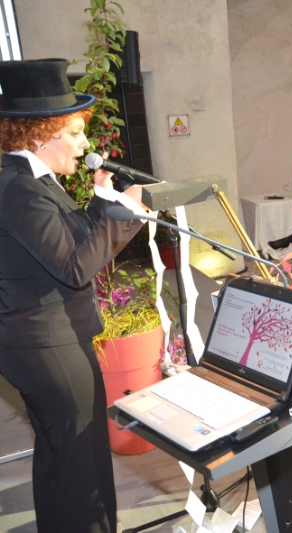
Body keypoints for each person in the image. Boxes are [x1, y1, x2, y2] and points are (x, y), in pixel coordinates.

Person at [0, 58, 148, 532]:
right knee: (83, 465)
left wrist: (104, 202)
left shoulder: (34, 181)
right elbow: (73, 267)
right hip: (47, 342)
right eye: (76, 133)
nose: (86, 145)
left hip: (45, 339)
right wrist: (125, 218)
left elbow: (73, 239)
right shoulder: (20, 190)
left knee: (61, 459)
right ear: (41, 136)